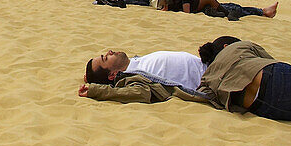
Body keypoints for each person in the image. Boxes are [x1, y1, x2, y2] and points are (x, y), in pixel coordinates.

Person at [78, 48, 219, 105]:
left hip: (210, 62)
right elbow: (137, 93)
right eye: (105, 58)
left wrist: (89, 77)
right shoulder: (132, 78)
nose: (109, 51)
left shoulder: (134, 61)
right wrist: (96, 90)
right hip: (213, 78)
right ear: (112, 74)